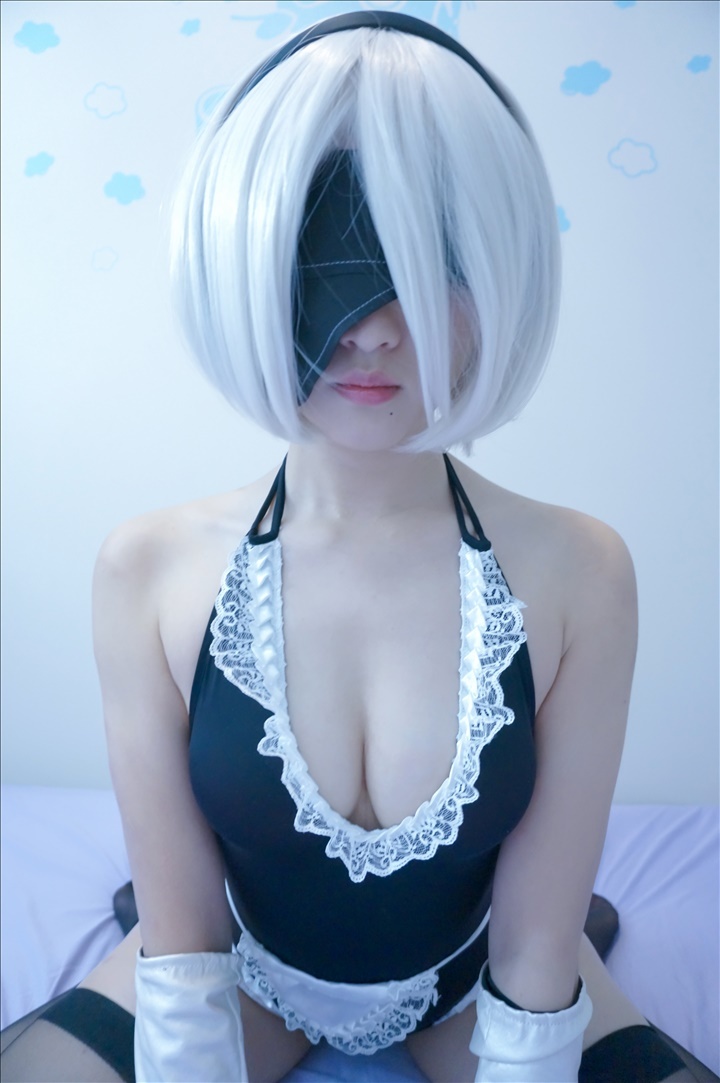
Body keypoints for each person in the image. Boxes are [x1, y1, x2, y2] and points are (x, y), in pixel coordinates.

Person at [1, 11, 715, 1083]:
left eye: (431, 256)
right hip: (240, 975)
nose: (375, 329)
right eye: (326, 255)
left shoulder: (580, 573)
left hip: (478, 983)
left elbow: (533, 952)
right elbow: (185, 943)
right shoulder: (148, 572)